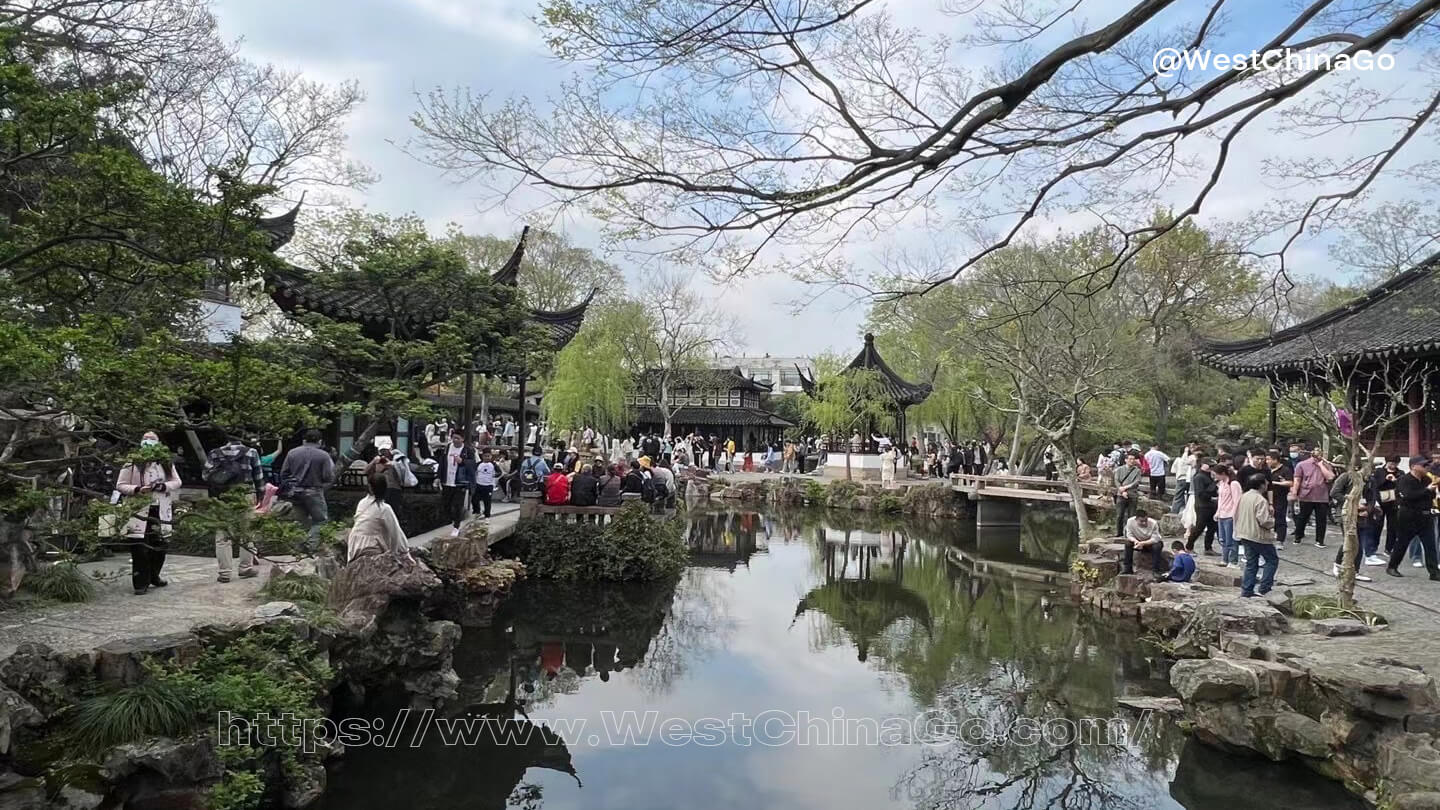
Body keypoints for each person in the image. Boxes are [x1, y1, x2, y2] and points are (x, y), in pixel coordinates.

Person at [115, 432, 182, 595]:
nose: (148, 442)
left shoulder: (165, 462)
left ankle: (154, 575)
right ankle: (140, 583)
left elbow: (177, 481)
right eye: (145, 438)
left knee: (160, 545)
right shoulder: (132, 462)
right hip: (139, 509)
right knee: (139, 547)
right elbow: (121, 484)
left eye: (152, 439)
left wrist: (163, 486)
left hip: (160, 508)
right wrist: (137, 489)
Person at [204, 434, 266, 583]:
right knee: (247, 533)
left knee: (223, 535)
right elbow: (258, 476)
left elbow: (206, 475)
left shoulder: (214, 453)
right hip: (245, 495)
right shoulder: (251, 452)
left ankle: (225, 573)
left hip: (222, 497)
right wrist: (260, 494)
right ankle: (245, 568)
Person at [1385, 457, 1440, 580]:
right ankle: (1392, 566)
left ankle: (1434, 572)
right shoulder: (1404, 480)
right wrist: (1426, 490)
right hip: (1408, 516)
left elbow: (1430, 496)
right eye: (1424, 465)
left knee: (1430, 545)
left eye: (1427, 465)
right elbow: (1408, 496)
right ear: (1414, 466)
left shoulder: (1426, 479)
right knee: (1402, 543)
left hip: (1425, 516)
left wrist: (1430, 490)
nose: (1427, 468)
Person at [279, 429, 336, 544]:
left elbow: (283, 473)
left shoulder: (292, 453)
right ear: (320, 442)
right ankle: (310, 545)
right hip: (314, 491)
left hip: (294, 492)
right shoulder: (324, 456)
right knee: (320, 520)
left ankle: (297, 546)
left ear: (304, 440)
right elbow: (328, 476)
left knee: (299, 520)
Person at [346, 474, 414, 563]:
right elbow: (396, 532)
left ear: (369, 487)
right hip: (370, 546)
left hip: (354, 546)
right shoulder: (384, 508)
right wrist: (405, 552)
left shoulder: (362, 503)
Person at [1237, 475, 1278, 598]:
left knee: (1251, 563)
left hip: (1244, 533)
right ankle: (1265, 588)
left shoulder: (1244, 496)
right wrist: (1273, 521)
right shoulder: (1260, 500)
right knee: (1272, 560)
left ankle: (1247, 590)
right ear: (1261, 485)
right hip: (1258, 535)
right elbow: (1264, 521)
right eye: (1265, 483)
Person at [1292, 445, 1335, 548]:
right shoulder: (1302, 465)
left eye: (1320, 453)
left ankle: (1320, 540)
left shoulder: (1326, 465)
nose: (1318, 455)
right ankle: (1298, 536)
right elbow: (1297, 480)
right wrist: (1294, 492)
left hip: (1322, 496)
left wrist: (1321, 465)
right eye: (1316, 453)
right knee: (1303, 517)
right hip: (1306, 495)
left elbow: (1330, 477)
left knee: (1321, 520)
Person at [436, 428, 476, 537]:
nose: (455, 440)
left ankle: (456, 526)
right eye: (454, 438)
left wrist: (463, 461)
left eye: (458, 438)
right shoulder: (448, 448)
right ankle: (450, 520)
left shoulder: (468, 450)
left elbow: (473, 465)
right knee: (446, 504)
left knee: (457, 505)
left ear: (463, 439)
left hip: (460, 482)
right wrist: (438, 476)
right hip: (447, 481)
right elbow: (442, 463)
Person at [1185, 455, 1219, 555]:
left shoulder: (1208, 476)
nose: (1212, 468)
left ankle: (1208, 548)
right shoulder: (1199, 477)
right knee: (1199, 527)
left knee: (1212, 527)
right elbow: (1201, 494)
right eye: (1210, 466)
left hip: (1210, 505)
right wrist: (1214, 484)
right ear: (1203, 465)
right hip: (1202, 506)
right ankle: (1189, 546)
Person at [1371, 457, 1402, 559]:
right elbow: (1375, 485)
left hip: (1393, 503)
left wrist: (1395, 480)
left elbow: (1403, 486)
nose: (1393, 465)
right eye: (1391, 463)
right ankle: (1373, 547)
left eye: (1395, 463)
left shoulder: (1400, 473)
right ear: (1387, 462)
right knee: (1377, 525)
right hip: (1380, 501)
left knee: (1392, 527)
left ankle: (1389, 548)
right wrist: (1385, 479)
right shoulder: (1379, 471)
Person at [1121, 509, 1165, 576]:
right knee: (1128, 543)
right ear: (1136, 519)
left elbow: (1156, 538)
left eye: (1145, 520)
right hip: (1137, 542)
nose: (1144, 523)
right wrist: (1136, 541)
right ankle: (1127, 568)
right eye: (1141, 521)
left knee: (1158, 545)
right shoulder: (1130, 521)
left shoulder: (1153, 523)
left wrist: (1143, 543)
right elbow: (1129, 535)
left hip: (1149, 543)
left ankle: (1156, 570)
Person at [1214, 464, 1243, 568]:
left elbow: (1237, 500)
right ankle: (1224, 559)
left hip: (1230, 514)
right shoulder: (1221, 483)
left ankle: (1233, 560)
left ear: (1222, 474)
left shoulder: (1234, 484)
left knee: (1231, 539)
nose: (1215, 477)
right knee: (1223, 539)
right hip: (1222, 514)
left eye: (1216, 475)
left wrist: (1234, 515)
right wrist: (1218, 512)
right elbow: (1220, 499)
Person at [1264, 450, 1293, 543]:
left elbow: (1290, 482)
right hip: (1266, 497)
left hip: (1280, 497)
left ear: (1275, 460)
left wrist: (1275, 483)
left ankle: (1280, 539)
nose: (1267, 461)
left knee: (1280, 518)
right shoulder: (1266, 470)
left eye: (1269, 459)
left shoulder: (1285, 470)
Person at [1113, 453, 1142, 537]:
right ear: (1125, 460)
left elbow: (1137, 482)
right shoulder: (1119, 470)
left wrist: (1126, 487)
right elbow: (1116, 481)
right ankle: (1119, 532)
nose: (1132, 461)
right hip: (1121, 494)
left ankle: (1130, 533)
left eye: (1133, 459)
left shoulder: (1137, 470)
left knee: (1132, 515)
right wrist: (1122, 491)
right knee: (1119, 515)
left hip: (1132, 494)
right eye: (1130, 459)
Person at [473, 450, 498, 519]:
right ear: (482, 456)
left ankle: (487, 516)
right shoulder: (478, 464)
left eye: (488, 456)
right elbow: (473, 471)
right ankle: (477, 511)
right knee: (475, 499)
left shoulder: (494, 464)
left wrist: (494, 476)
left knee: (487, 501)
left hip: (488, 485)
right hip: (479, 484)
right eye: (485, 456)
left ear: (491, 456)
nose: (487, 458)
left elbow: (499, 472)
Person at [1170, 444, 1194, 514]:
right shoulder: (1192, 459)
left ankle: (1174, 512)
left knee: (1178, 497)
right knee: (1190, 497)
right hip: (1189, 479)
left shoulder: (1178, 459)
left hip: (1180, 479)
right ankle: (1188, 513)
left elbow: (1172, 470)